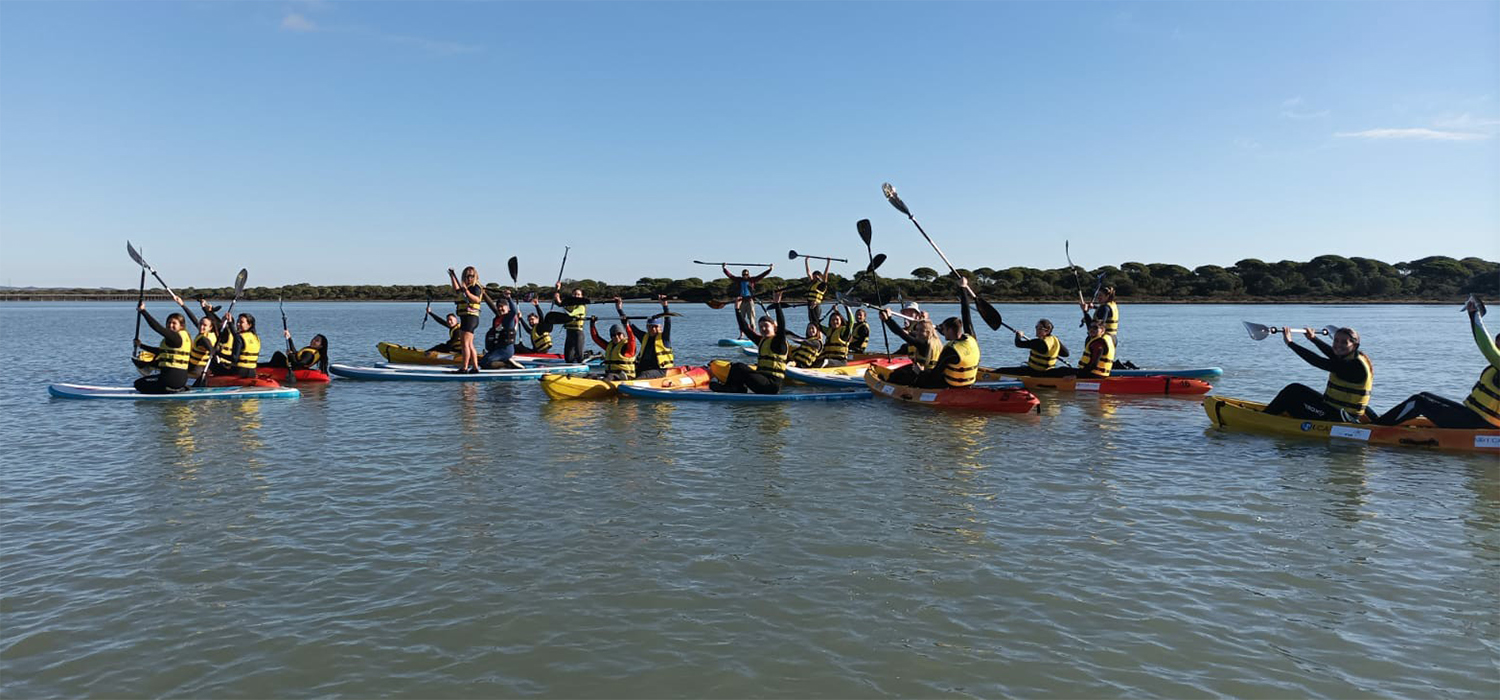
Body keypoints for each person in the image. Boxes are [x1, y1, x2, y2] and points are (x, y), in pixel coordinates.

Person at [1374, 298, 1499, 428]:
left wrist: (1474, 315)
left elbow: (1487, 347)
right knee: (1424, 396)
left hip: (1480, 425)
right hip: (1475, 417)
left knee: (1419, 402)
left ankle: (1377, 428)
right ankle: (1384, 422)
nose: (1496, 344)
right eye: (1497, 341)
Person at [1262, 326, 1374, 422]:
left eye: (1344, 342)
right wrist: (1313, 338)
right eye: (1336, 341)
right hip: (1339, 411)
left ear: (1354, 345)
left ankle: (1264, 418)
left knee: (1292, 391)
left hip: (1339, 417)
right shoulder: (1355, 357)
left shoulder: (1354, 366)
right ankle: (1273, 414)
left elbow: (1317, 361)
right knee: (1297, 392)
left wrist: (1290, 343)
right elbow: (1333, 352)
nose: (1338, 345)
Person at [886, 278, 981, 388]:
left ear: (950, 330)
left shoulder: (951, 349)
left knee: (898, 376)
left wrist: (920, 372)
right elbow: (966, 314)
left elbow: (934, 376)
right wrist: (963, 288)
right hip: (968, 383)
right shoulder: (971, 337)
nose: (942, 332)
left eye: (944, 329)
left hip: (950, 385)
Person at [711, 292, 789, 394]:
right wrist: (737, 309)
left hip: (771, 385)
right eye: (761, 327)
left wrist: (777, 304)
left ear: (774, 327)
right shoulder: (762, 341)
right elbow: (745, 328)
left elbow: (782, 326)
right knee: (736, 366)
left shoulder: (779, 342)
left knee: (739, 367)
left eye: (766, 326)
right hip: (761, 381)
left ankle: (733, 388)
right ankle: (735, 388)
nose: (763, 329)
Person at [133, 302, 191, 394]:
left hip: (170, 379)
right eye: (168, 322)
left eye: (174, 323)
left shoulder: (175, 337)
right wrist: (141, 345)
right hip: (181, 379)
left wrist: (143, 311)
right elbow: (161, 351)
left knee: (138, 384)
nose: (170, 325)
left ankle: (170, 390)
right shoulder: (183, 337)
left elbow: (157, 328)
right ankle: (177, 388)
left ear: (181, 326)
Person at [987, 319, 1070, 376]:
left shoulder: (1038, 342)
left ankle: (990, 375)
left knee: (1001, 371)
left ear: (1047, 331)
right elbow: (1065, 354)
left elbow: (1018, 344)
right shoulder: (1055, 340)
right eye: (1036, 327)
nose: (1037, 330)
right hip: (1049, 371)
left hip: (1035, 372)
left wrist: (1018, 335)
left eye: (1040, 328)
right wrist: (1051, 354)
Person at [622, 295, 676, 379]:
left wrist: (665, 305)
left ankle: (633, 384)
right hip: (643, 369)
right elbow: (629, 326)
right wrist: (619, 309)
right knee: (629, 372)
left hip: (660, 370)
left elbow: (668, 322)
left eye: (655, 326)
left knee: (644, 375)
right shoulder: (644, 337)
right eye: (650, 326)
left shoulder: (664, 338)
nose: (653, 329)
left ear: (660, 327)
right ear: (647, 327)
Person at [448, 266, 484, 373]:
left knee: (465, 344)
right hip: (466, 318)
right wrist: (452, 276)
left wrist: (467, 292)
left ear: (475, 276)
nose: (469, 278)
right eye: (466, 276)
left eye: (471, 276)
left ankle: (464, 368)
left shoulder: (475, 287)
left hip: (470, 318)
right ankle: (475, 367)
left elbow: (477, 300)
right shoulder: (466, 287)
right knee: (469, 344)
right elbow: (457, 289)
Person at [723, 264, 772, 337]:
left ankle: (754, 334)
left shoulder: (752, 280)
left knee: (751, 319)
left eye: (746, 274)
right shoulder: (739, 280)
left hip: (749, 301)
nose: (744, 275)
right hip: (741, 301)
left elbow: (762, 275)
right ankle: (741, 335)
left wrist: (770, 269)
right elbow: (730, 276)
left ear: (748, 274)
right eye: (743, 274)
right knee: (741, 319)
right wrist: (724, 268)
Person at [479, 290, 523, 369]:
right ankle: (504, 362)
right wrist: (484, 294)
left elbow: (514, 311)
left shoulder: (509, 318)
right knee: (482, 362)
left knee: (486, 362)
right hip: (497, 349)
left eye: (502, 306)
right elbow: (491, 305)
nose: (500, 308)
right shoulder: (497, 318)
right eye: (498, 306)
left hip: (506, 350)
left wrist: (509, 298)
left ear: (507, 307)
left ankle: (507, 364)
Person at [589, 310, 637, 381]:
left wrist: (626, 325)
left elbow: (632, 338)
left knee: (609, 376)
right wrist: (592, 325)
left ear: (623, 335)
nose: (616, 337)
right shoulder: (609, 346)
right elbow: (596, 338)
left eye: (619, 334)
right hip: (611, 375)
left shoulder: (628, 348)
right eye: (613, 335)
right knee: (591, 375)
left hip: (626, 377)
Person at [218, 313, 262, 379]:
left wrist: (218, 353)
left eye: (241, 322)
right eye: (237, 321)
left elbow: (234, 359)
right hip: (252, 372)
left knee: (214, 363)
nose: (238, 324)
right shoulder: (256, 337)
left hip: (239, 371)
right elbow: (235, 334)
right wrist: (230, 323)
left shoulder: (240, 337)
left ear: (249, 325)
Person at [554, 284, 589, 364]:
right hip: (569, 333)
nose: (576, 296)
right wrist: (557, 289)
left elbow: (571, 313)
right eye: (575, 294)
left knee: (579, 357)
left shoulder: (581, 306)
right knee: (568, 359)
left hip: (578, 333)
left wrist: (560, 303)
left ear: (581, 296)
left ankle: (586, 356)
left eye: (578, 294)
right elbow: (559, 303)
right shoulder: (569, 304)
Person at [804, 257, 832, 324]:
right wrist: (806, 261)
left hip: (816, 305)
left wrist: (828, 263)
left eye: (816, 277)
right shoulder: (812, 282)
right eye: (813, 277)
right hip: (810, 304)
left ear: (819, 277)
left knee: (815, 322)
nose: (814, 278)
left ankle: (818, 332)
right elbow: (808, 272)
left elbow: (825, 274)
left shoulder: (822, 285)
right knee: (811, 321)